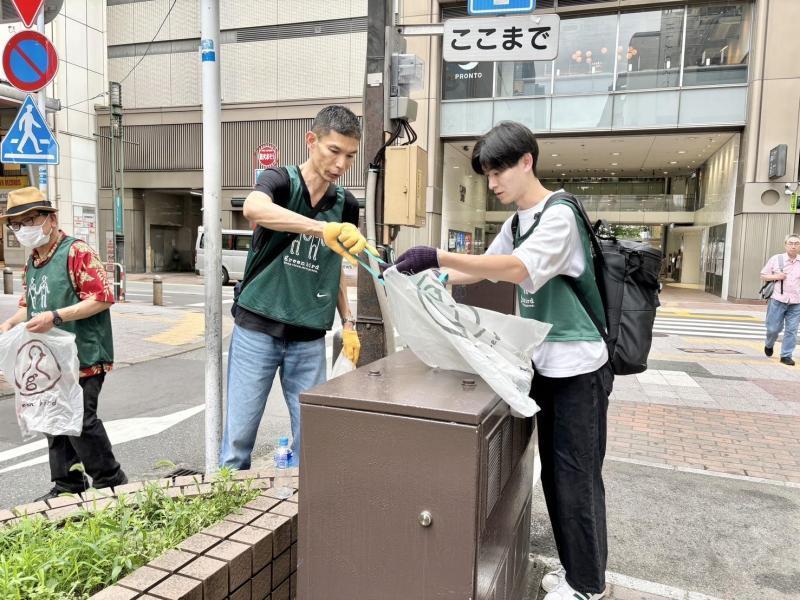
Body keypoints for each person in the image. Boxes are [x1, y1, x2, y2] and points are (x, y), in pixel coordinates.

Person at [391, 121, 612, 600]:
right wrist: (427, 277)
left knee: (576, 473)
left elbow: (517, 269)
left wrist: (439, 255)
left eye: (498, 172)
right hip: (542, 363)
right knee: (554, 472)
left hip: (579, 367)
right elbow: (478, 270)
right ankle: (578, 575)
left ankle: (589, 587)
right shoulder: (516, 223)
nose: (492, 184)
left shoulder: (559, 214)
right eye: (487, 175)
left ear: (527, 162)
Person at [219, 105, 369, 470]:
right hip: (257, 327)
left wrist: (347, 321)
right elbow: (254, 208)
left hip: (309, 336)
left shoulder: (345, 204)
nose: (341, 164)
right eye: (334, 151)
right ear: (311, 141)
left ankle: (301, 517)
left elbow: (331, 267)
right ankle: (230, 519)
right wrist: (319, 229)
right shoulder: (280, 181)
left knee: (312, 441)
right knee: (239, 440)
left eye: (350, 156)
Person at [0, 187, 127, 500]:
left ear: (51, 218)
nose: (24, 228)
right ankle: (68, 485)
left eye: (31, 219)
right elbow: (28, 304)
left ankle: (111, 482)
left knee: (81, 419)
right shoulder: (33, 262)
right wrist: (10, 323)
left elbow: (102, 297)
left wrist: (55, 317)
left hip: (85, 354)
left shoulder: (76, 252)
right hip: (49, 359)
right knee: (52, 418)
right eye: (17, 224)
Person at [760, 233, 800, 366]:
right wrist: (778, 276)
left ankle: (786, 355)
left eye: (796, 243)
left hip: (796, 302)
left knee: (792, 330)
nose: (793, 246)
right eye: (791, 243)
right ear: (785, 245)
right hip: (777, 299)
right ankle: (769, 344)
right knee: (773, 329)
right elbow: (763, 275)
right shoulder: (776, 259)